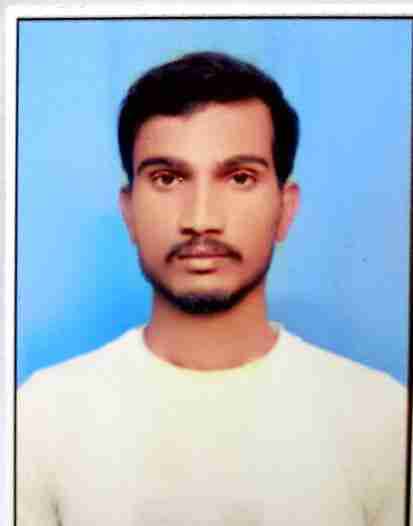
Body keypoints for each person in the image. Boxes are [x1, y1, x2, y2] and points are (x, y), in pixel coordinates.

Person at [17, 51, 406, 526]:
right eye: (167, 178)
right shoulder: (40, 416)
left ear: (285, 209)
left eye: (240, 178)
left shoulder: (382, 419)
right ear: (129, 211)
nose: (201, 219)